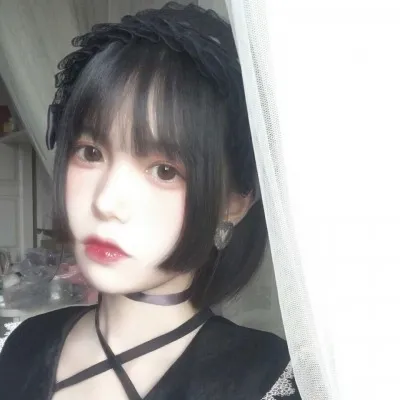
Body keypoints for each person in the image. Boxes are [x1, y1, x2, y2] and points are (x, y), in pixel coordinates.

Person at [0, 3, 301, 399]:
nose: (106, 202)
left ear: (234, 203)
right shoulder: (25, 344)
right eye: (90, 152)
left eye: (164, 171)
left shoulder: (264, 379)